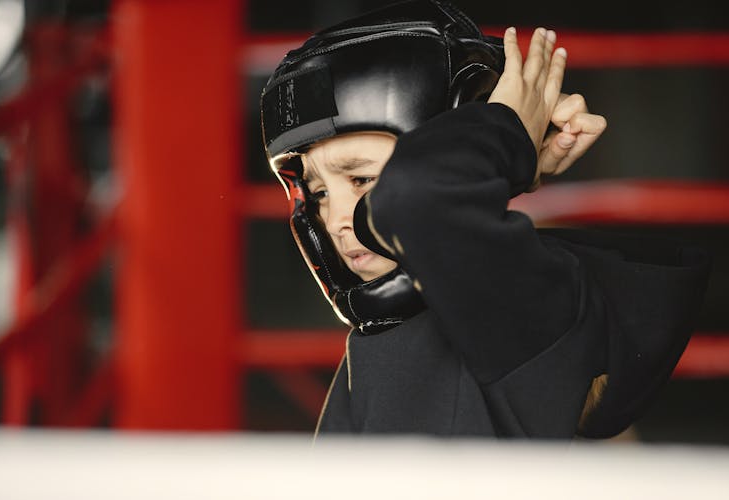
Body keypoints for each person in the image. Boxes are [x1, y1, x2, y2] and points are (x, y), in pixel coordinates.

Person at [260, 0, 709, 438]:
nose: (335, 218)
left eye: (361, 179)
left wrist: (507, 133)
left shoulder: (516, 304)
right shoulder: (377, 340)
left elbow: (420, 197)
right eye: (318, 192)